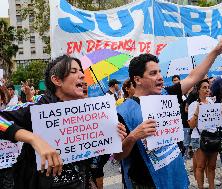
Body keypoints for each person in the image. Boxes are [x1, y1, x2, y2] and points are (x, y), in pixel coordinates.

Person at [114, 31, 222, 188]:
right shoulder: (123, 112)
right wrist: (133, 136)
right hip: (146, 182)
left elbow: (194, 77)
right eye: (153, 73)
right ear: (137, 80)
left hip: (175, 175)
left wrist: (215, 51)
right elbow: (118, 155)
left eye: (159, 71)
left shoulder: (167, 94)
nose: (160, 76)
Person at [0, 55, 127, 189]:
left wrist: (112, 135)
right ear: (56, 80)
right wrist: (33, 139)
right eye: (74, 71)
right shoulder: (38, 109)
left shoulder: (86, 112)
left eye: (81, 71)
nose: (82, 75)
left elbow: (95, 160)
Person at [187, 79, 219, 189]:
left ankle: (212, 187)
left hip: (213, 137)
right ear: (198, 90)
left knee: (212, 166)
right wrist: (197, 111)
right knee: (200, 166)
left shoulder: (211, 102)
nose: (207, 90)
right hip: (199, 138)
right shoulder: (193, 104)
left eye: (208, 87)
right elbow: (191, 125)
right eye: (204, 87)